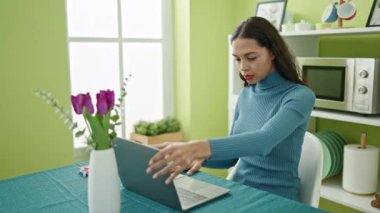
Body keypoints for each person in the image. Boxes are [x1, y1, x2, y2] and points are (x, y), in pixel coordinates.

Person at [146, 16, 316, 201]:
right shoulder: (246, 94)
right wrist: (198, 157)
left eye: (251, 57)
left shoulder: (299, 96)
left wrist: (197, 147)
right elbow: (233, 158)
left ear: (273, 52)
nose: (243, 67)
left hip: (276, 198)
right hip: (238, 190)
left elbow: (263, 142)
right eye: (237, 59)